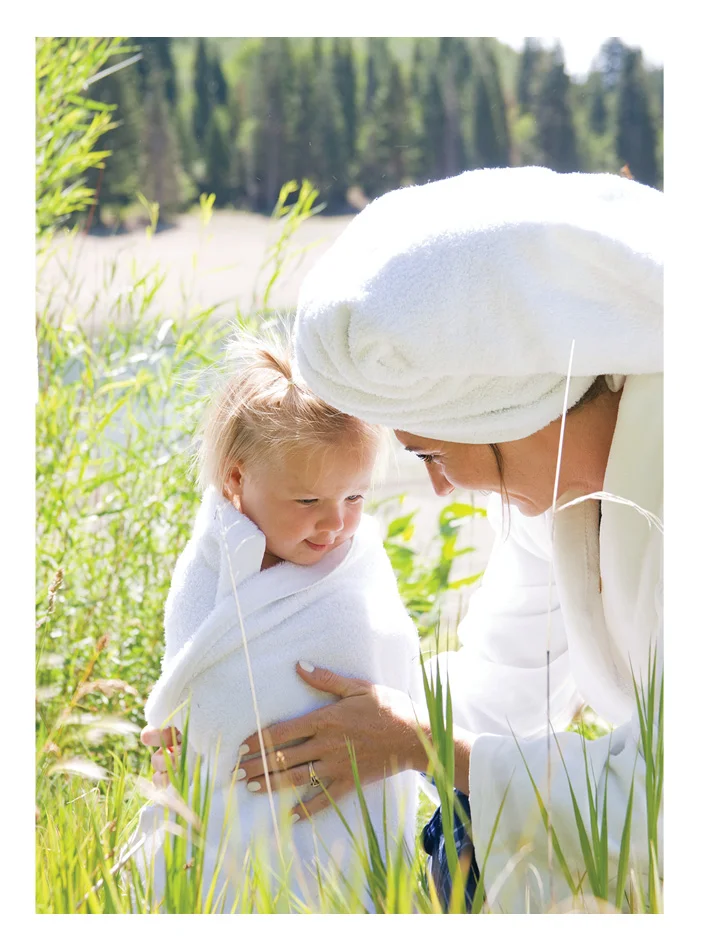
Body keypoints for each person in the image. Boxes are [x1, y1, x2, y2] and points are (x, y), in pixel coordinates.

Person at [145, 166, 663, 913]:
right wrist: (245, 714)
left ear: (501, 412)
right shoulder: (556, 507)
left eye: (429, 453)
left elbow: (673, 803)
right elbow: (499, 688)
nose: (442, 487)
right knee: (467, 850)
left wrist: (417, 743)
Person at [135, 328, 422, 913]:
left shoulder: (356, 569)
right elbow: (194, 668)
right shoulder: (209, 565)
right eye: (308, 501)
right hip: (237, 804)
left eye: (354, 497)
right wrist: (191, 732)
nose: (335, 524)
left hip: (340, 810)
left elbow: (389, 660)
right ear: (237, 480)